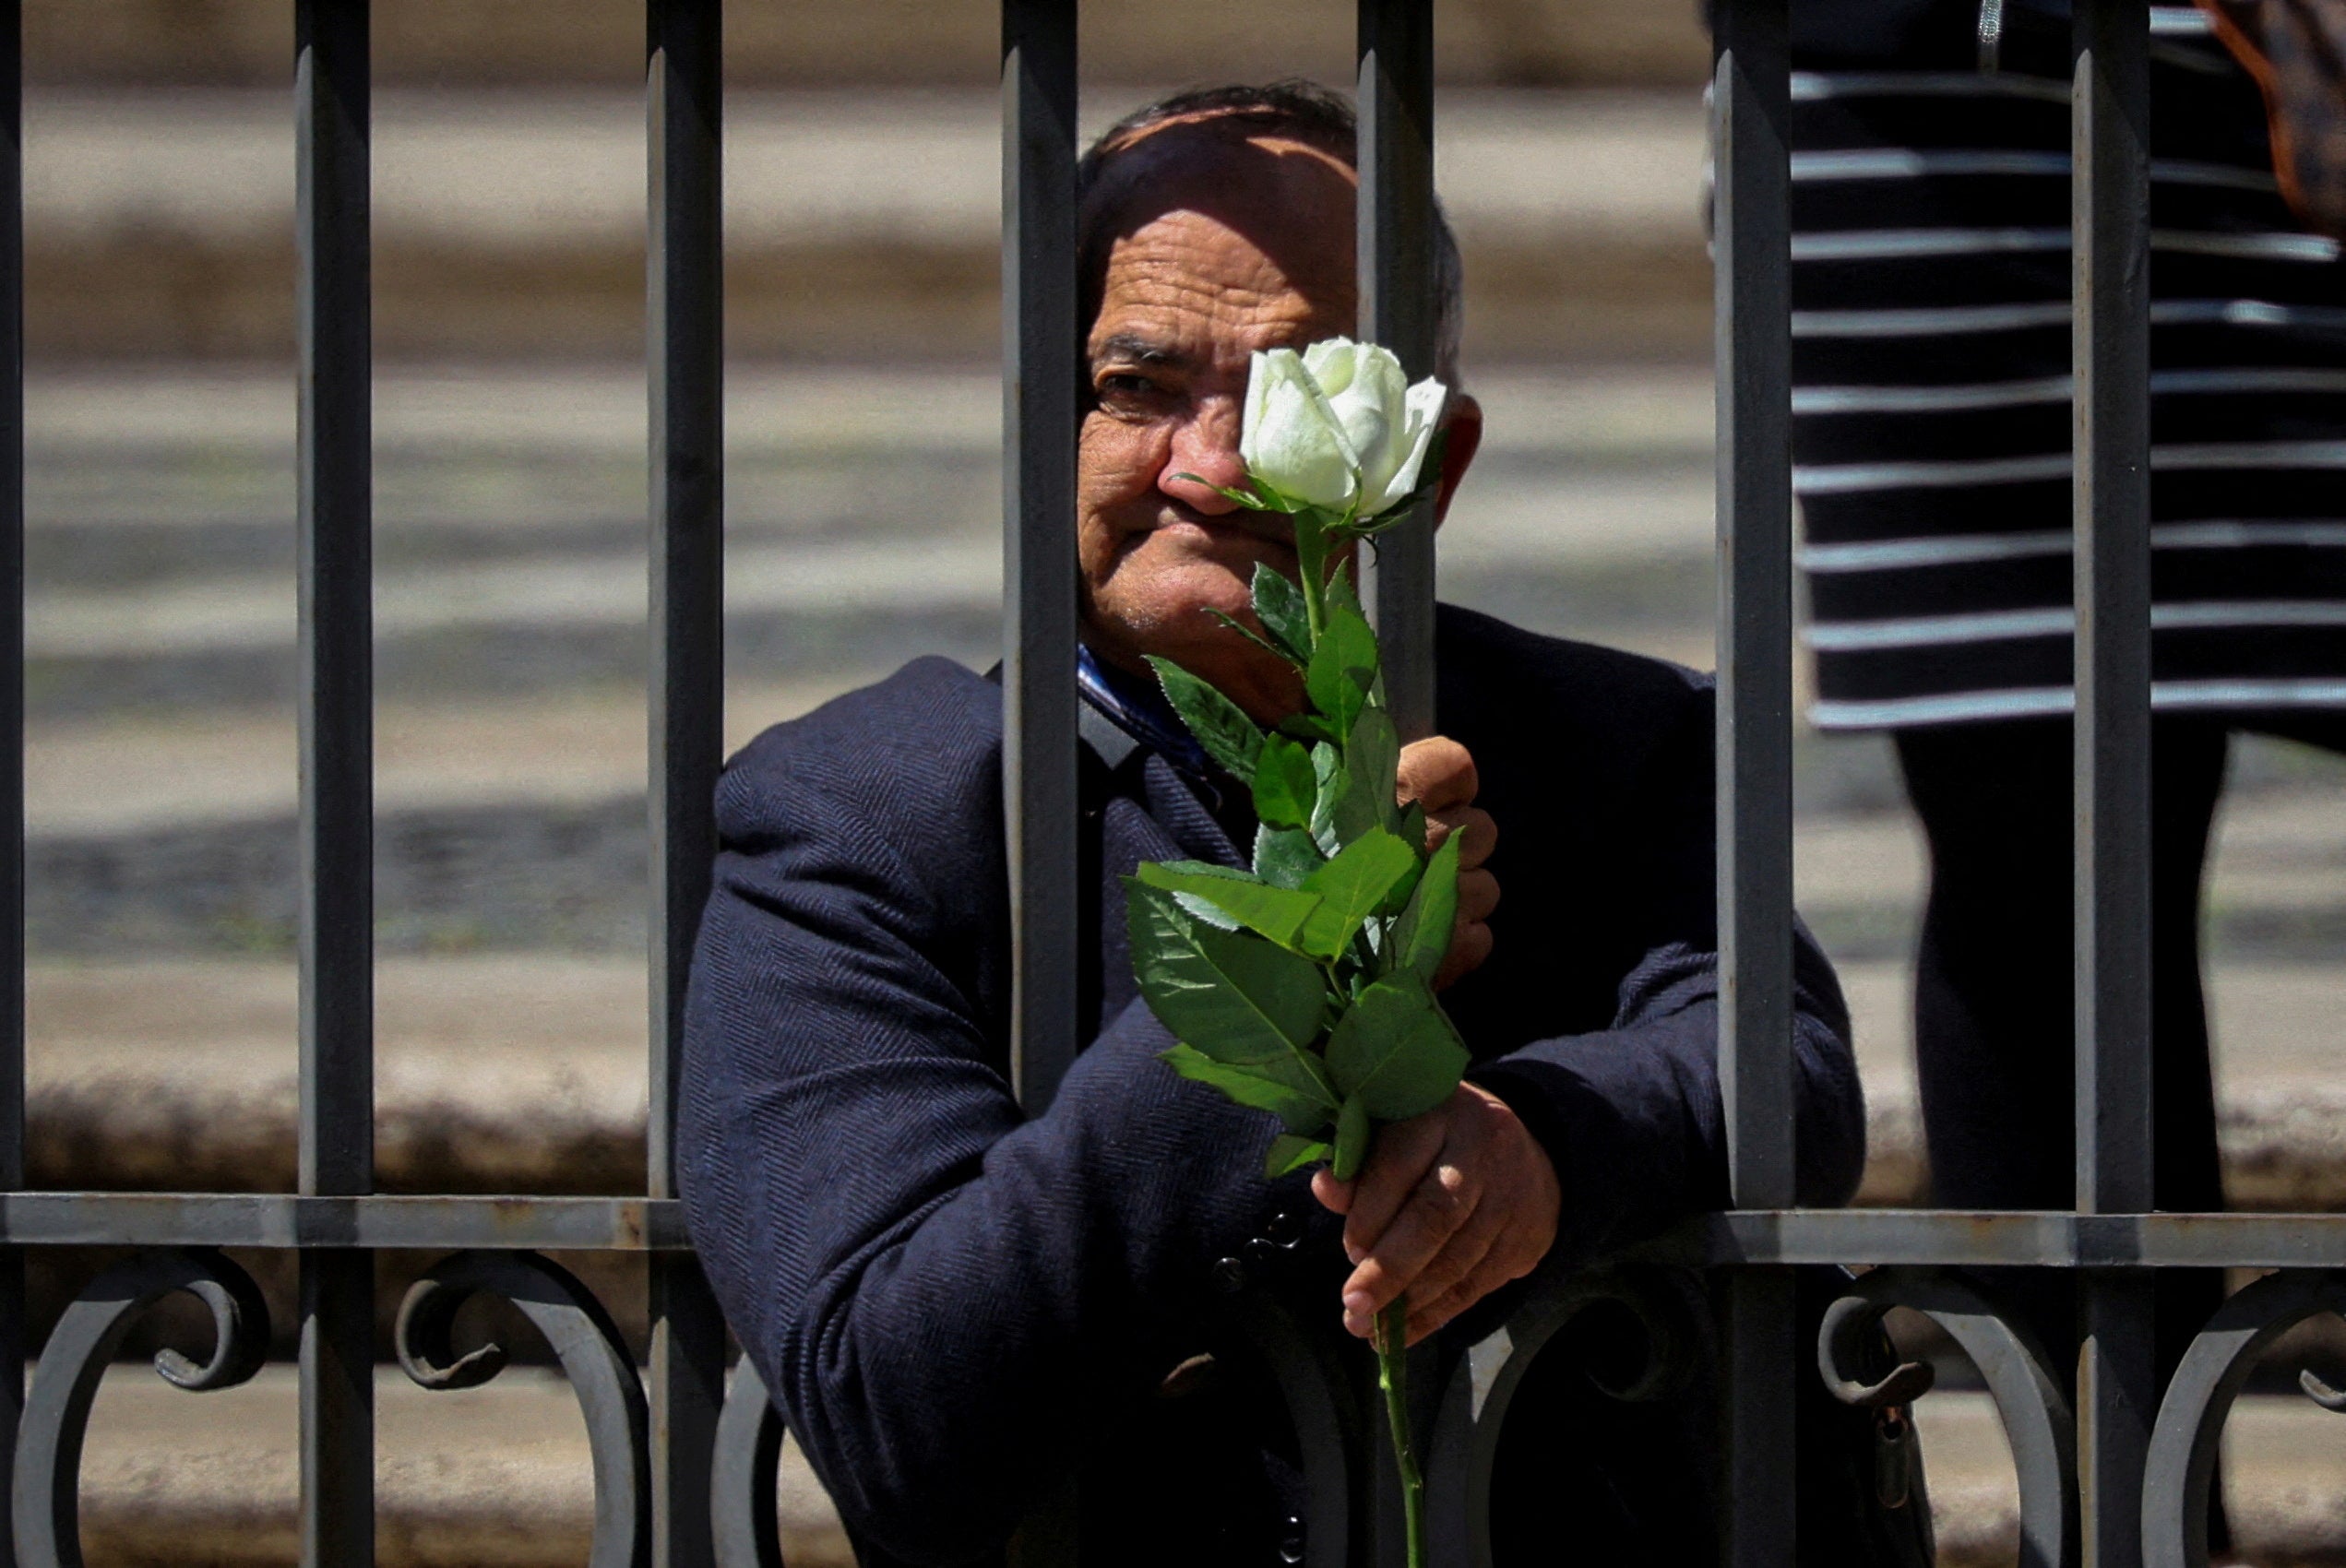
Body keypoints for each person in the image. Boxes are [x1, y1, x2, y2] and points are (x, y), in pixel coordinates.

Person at [680, 81, 1883, 1567]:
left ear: (1430, 468)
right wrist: (1291, 961)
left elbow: (1785, 1063)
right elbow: (892, 1403)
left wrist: (1546, 1145)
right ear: (1044, 426)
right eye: (1138, 384)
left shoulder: (1611, 739)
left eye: (1301, 393)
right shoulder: (853, 819)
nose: (1217, 461)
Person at [1776, 0, 2346, 1415]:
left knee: (2078, 845)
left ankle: (2133, 1486)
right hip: (1917, 118)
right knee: (2037, 837)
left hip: (2240, 98)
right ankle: (2111, 1498)